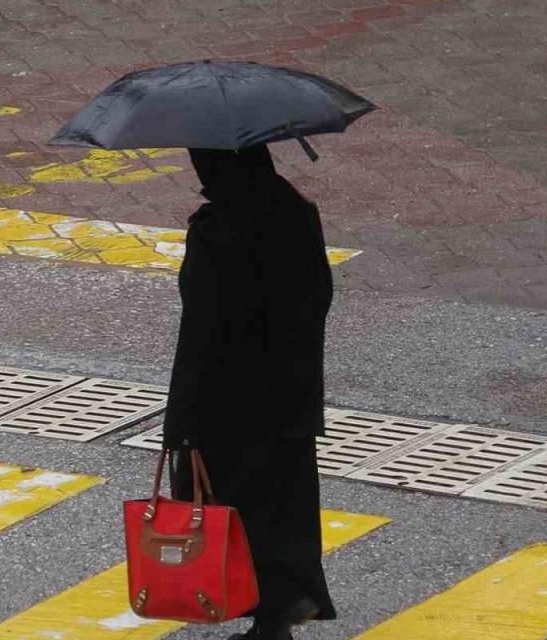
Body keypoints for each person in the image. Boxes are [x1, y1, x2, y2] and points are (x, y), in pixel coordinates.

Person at [163, 145, 335, 640]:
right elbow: (318, 296)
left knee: (234, 513)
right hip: (290, 395)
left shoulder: (219, 233)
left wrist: (180, 424)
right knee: (284, 506)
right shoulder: (295, 211)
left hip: (228, 406)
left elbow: (199, 336)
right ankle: (282, 609)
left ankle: (268, 612)